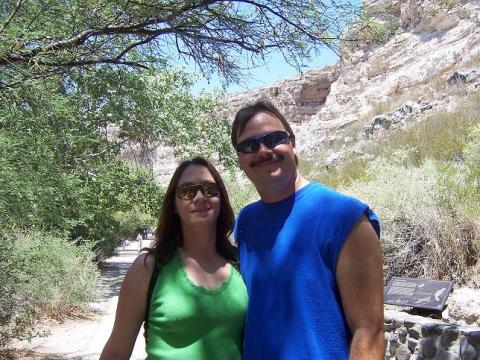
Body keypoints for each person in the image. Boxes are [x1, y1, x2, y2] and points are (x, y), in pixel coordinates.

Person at [231, 100, 384, 359]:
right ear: (239, 159)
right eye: (249, 145)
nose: (263, 151)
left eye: (274, 138)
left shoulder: (345, 218)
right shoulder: (245, 223)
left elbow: (369, 332)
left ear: (293, 142)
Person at [100, 157, 248, 360]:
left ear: (221, 199)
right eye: (187, 191)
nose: (199, 197)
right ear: (174, 206)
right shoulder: (148, 269)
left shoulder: (241, 264)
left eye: (209, 189)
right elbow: (116, 353)